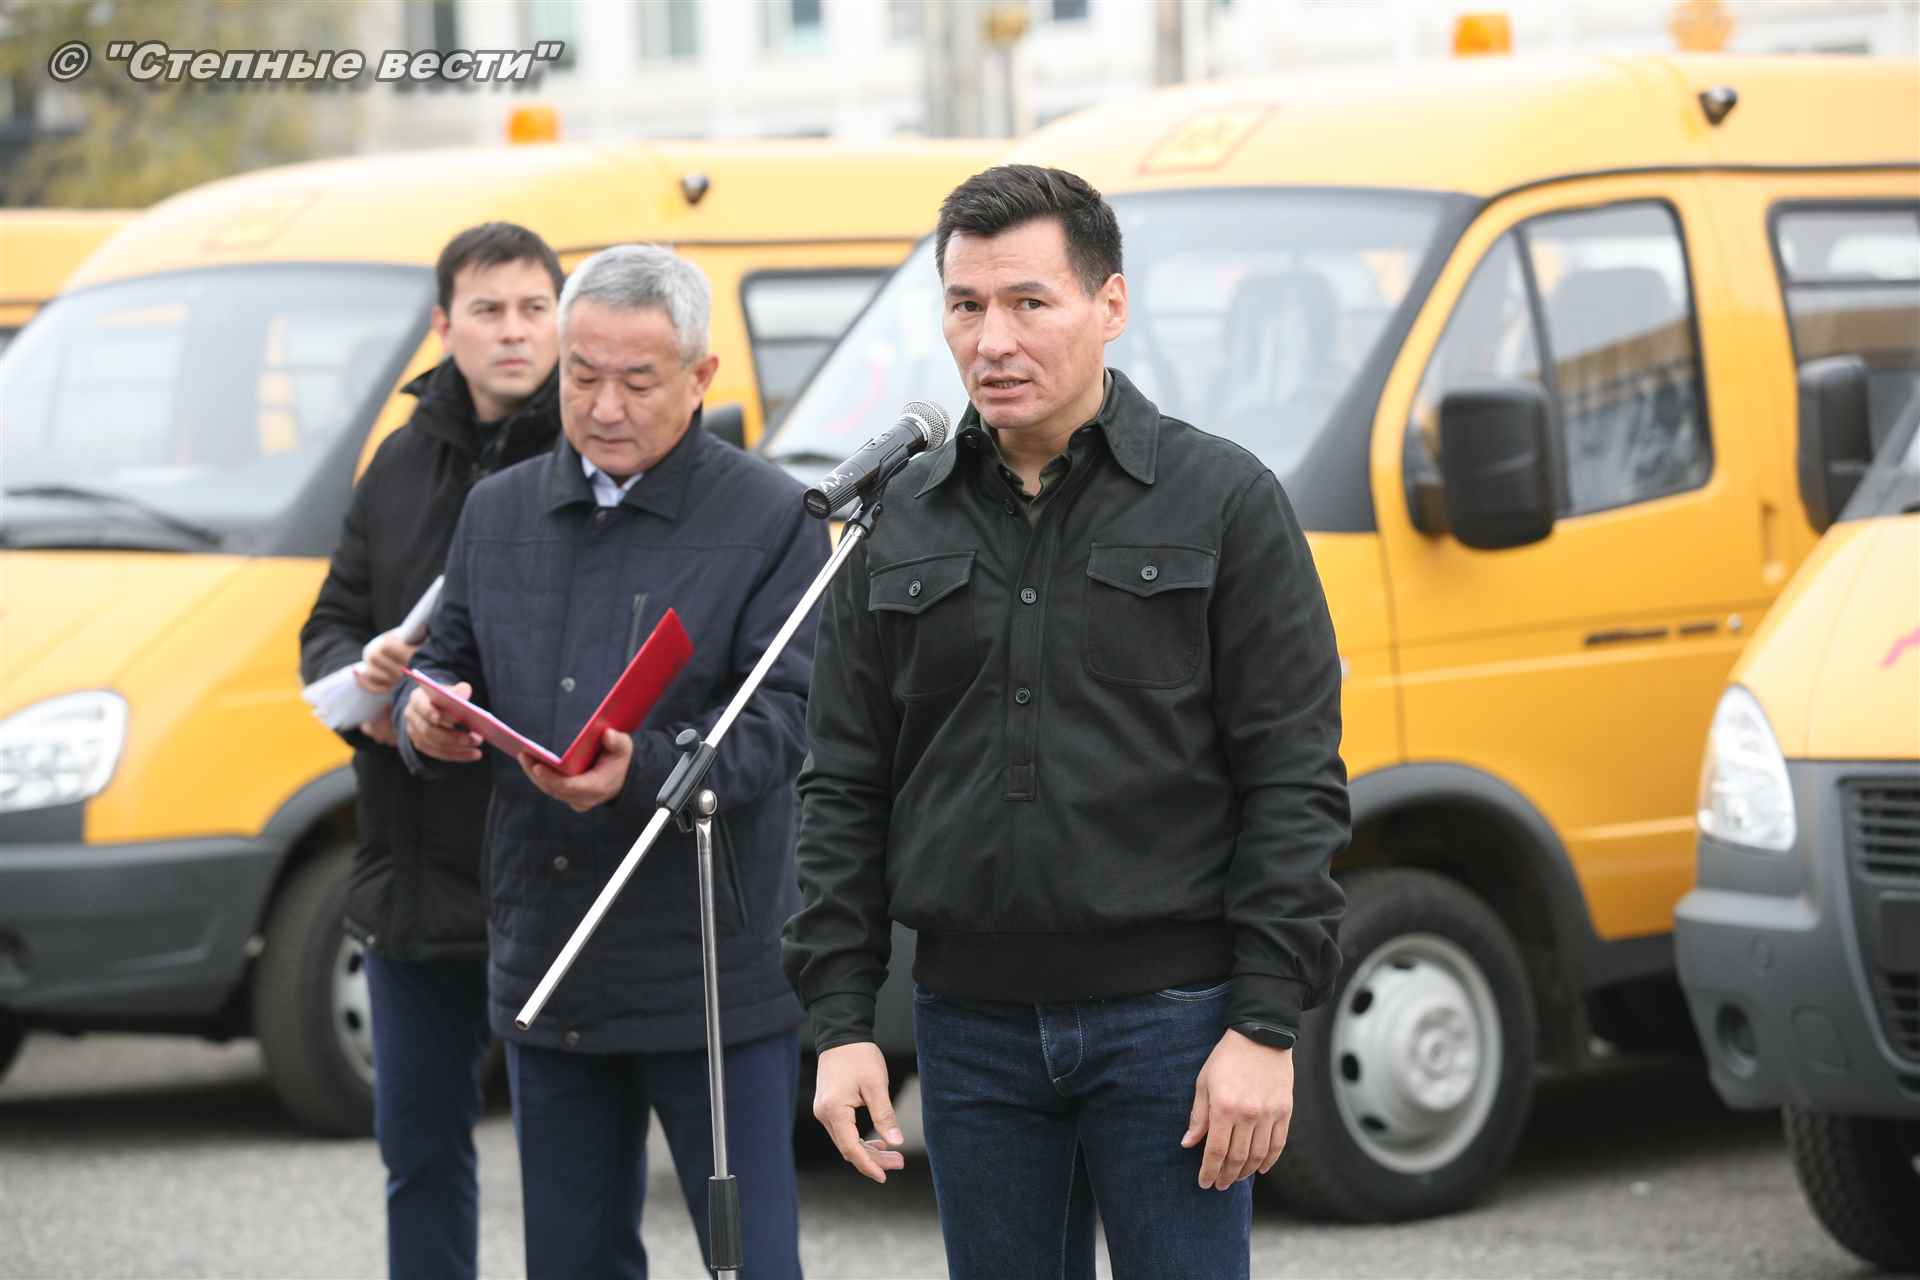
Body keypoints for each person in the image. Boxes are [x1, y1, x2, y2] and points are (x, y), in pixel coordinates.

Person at [783, 164, 1350, 1280]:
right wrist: (843, 1020)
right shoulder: (897, 521)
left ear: (1110, 304)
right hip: (970, 1028)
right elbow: (843, 784)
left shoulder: (1225, 500)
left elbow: (1293, 776)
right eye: (965, 305)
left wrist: (1265, 1024)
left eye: (1028, 302)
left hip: (1175, 1022)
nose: (992, 340)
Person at [399, 243, 823, 1280]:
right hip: (551, 944)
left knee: (750, 1260)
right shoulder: (499, 509)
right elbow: (448, 656)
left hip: (710, 963)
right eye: (581, 375)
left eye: (637, 380)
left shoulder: (772, 515)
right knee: (571, 1257)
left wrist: (645, 769)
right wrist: (427, 717)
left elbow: (786, 714)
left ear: (701, 376)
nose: (603, 406)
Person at [299, 221, 563, 1280]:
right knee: (417, 1157)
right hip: (408, 871)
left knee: (570, 1168)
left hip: (545, 863)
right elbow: (330, 617)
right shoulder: (401, 459)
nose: (515, 331)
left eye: (534, 308)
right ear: (446, 327)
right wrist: (362, 674)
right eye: (489, 311)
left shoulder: (590, 453)